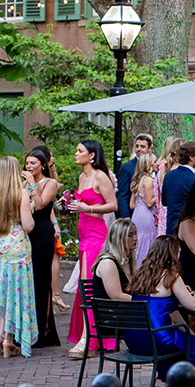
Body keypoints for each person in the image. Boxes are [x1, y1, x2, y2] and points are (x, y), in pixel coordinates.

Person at [127, 235, 195, 387]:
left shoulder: (141, 274)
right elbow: (191, 305)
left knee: (180, 345)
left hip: (134, 338)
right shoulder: (171, 276)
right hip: (158, 338)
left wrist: (181, 292)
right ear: (173, 254)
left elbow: (165, 307)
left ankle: (163, 383)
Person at [66, 139, 117, 358]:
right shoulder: (81, 177)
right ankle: (87, 335)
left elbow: (113, 205)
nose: (76, 154)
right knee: (83, 284)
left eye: (80, 151)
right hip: (83, 235)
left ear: (92, 155)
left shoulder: (100, 176)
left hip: (96, 236)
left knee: (90, 284)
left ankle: (89, 338)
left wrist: (89, 207)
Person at [0, 157, 37, 358]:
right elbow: (28, 226)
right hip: (17, 248)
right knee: (17, 296)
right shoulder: (21, 194)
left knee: (4, 295)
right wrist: (30, 209)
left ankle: (0, 337)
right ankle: (8, 339)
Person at [24, 148, 62, 348]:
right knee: (28, 281)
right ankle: (28, 328)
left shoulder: (50, 183)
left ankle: (44, 330)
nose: (29, 167)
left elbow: (39, 205)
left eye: (33, 163)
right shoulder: (23, 182)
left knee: (41, 280)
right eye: (27, 163)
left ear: (43, 165)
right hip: (26, 234)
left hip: (42, 234)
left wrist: (31, 185)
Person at [162, 141, 195, 235]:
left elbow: (164, 202)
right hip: (187, 229)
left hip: (170, 227)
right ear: (191, 157)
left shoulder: (168, 175)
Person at [126, 153, 160, 269]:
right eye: (154, 162)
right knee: (148, 241)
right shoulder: (149, 180)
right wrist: (160, 195)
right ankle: (144, 269)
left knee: (138, 241)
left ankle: (135, 267)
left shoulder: (138, 180)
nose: (157, 164)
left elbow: (131, 204)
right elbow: (149, 202)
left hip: (137, 213)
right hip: (146, 214)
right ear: (149, 165)